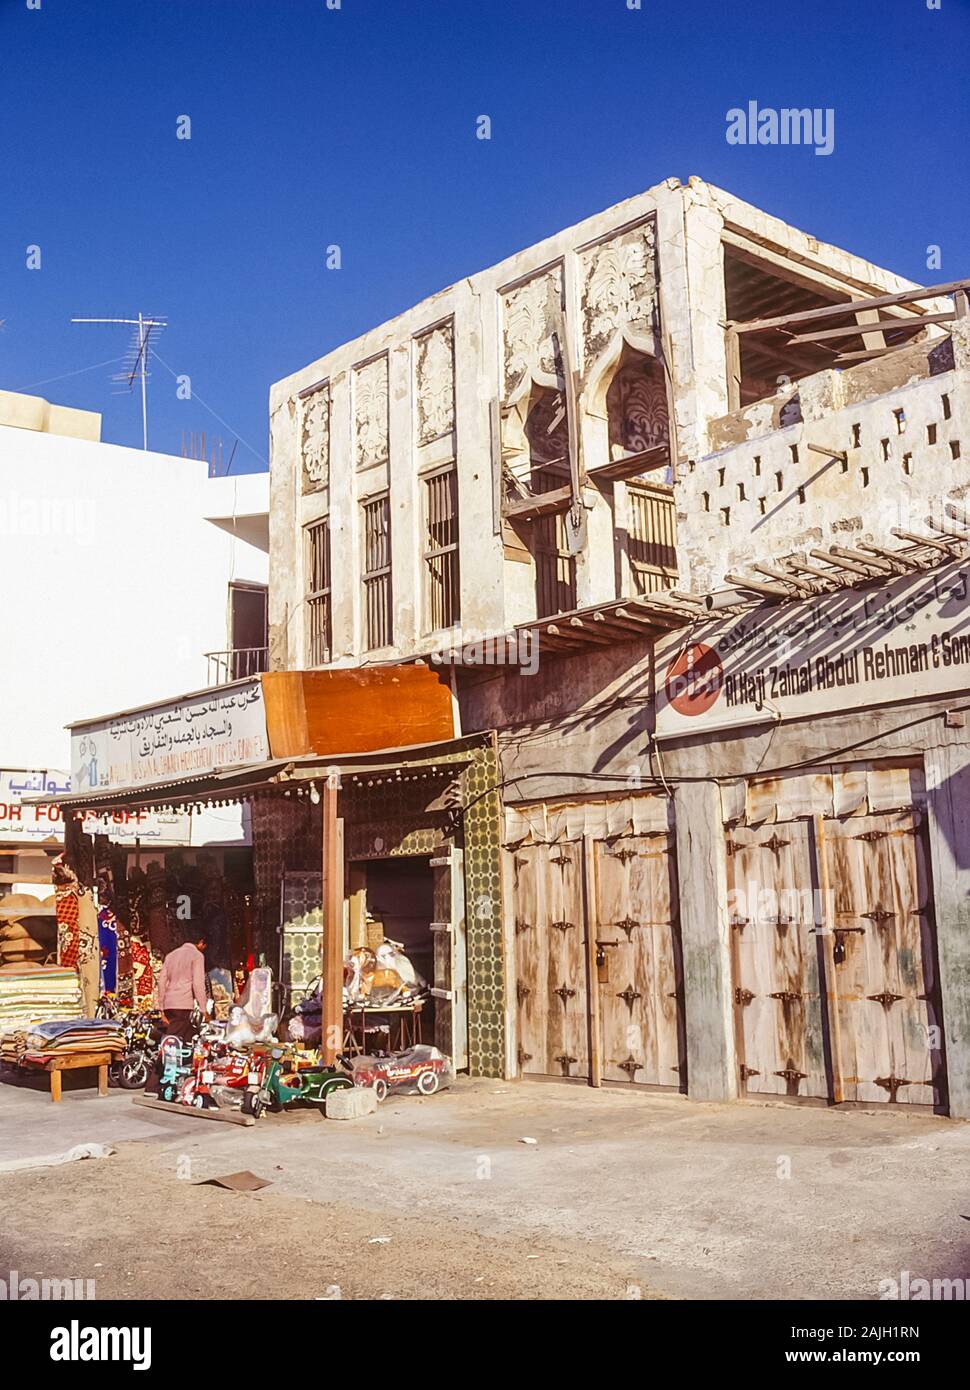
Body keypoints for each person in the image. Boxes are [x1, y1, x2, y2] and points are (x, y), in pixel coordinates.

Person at [157, 931, 208, 1040]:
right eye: (204, 946)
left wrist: (161, 1008)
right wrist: (203, 1009)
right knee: (173, 1041)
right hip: (183, 1004)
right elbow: (198, 984)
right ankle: (162, 1057)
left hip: (169, 1004)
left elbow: (162, 982)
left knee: (185, 1037)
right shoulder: (197, 955)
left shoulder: (171, 955)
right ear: (200, 943)